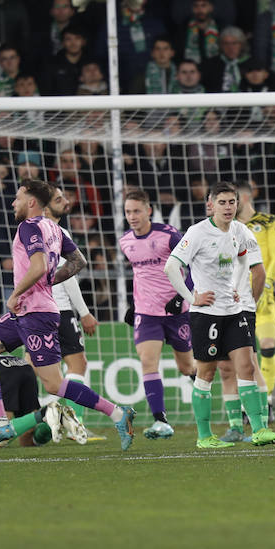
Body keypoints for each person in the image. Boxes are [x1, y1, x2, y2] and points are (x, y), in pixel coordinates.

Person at [0, 180, 135, 451]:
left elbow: (38, 265)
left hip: (35, 314)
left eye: (18, 198)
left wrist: (16, 293)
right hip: (26, 312)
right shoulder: (55, 229)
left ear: (31, 202)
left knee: (55, 384)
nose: (14, 203)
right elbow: (79, 262)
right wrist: (46, 283)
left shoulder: (29, 226)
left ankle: (117, 413)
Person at [164, 181, 275, 449]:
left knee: (246, 366)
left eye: (232, 202)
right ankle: (204, 436)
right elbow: (171, 267)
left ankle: (259, 430)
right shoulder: (197, 233)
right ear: (211, 205)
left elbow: (247, 263)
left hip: (234, 311)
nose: (228, 207)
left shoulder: (241, 231)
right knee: (206, 374)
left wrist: (238, 289)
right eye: (222, 202)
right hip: (206, 314)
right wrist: (191, 297)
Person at [119, 188, 195, 440]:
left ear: (148, 210)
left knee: (187, 368)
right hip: (147, 313)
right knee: (147, 362)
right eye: (128, 211)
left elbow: (194, 266)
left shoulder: (169, 235)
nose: (132, 216)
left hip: (176, 312)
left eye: (137, 211)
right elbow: (141, 275)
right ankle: (160, 420)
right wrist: (134, 304)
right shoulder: (125, 242)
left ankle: (208, 388)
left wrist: (182, 295)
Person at [45, 186, 103, 443]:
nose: (65, 202)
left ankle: (52, 426)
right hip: (60, 308)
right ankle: (75, 425)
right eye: (59, 199)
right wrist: (85, 313)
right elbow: (68, 276)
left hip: (38, 311)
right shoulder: (56, 232)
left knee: (50, 374)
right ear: (45, 207)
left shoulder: (30, 233)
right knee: (77, 365)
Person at [237, 181, 275, 401]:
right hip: (236, 297)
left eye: (233, 200)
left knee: (268, 346)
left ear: (244, 198)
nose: (229, 205)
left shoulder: (268, 222)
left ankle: (267, 399)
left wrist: (267, 284)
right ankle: (246, 405)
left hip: (263, 294)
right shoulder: (228, 226)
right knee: (243, 355)